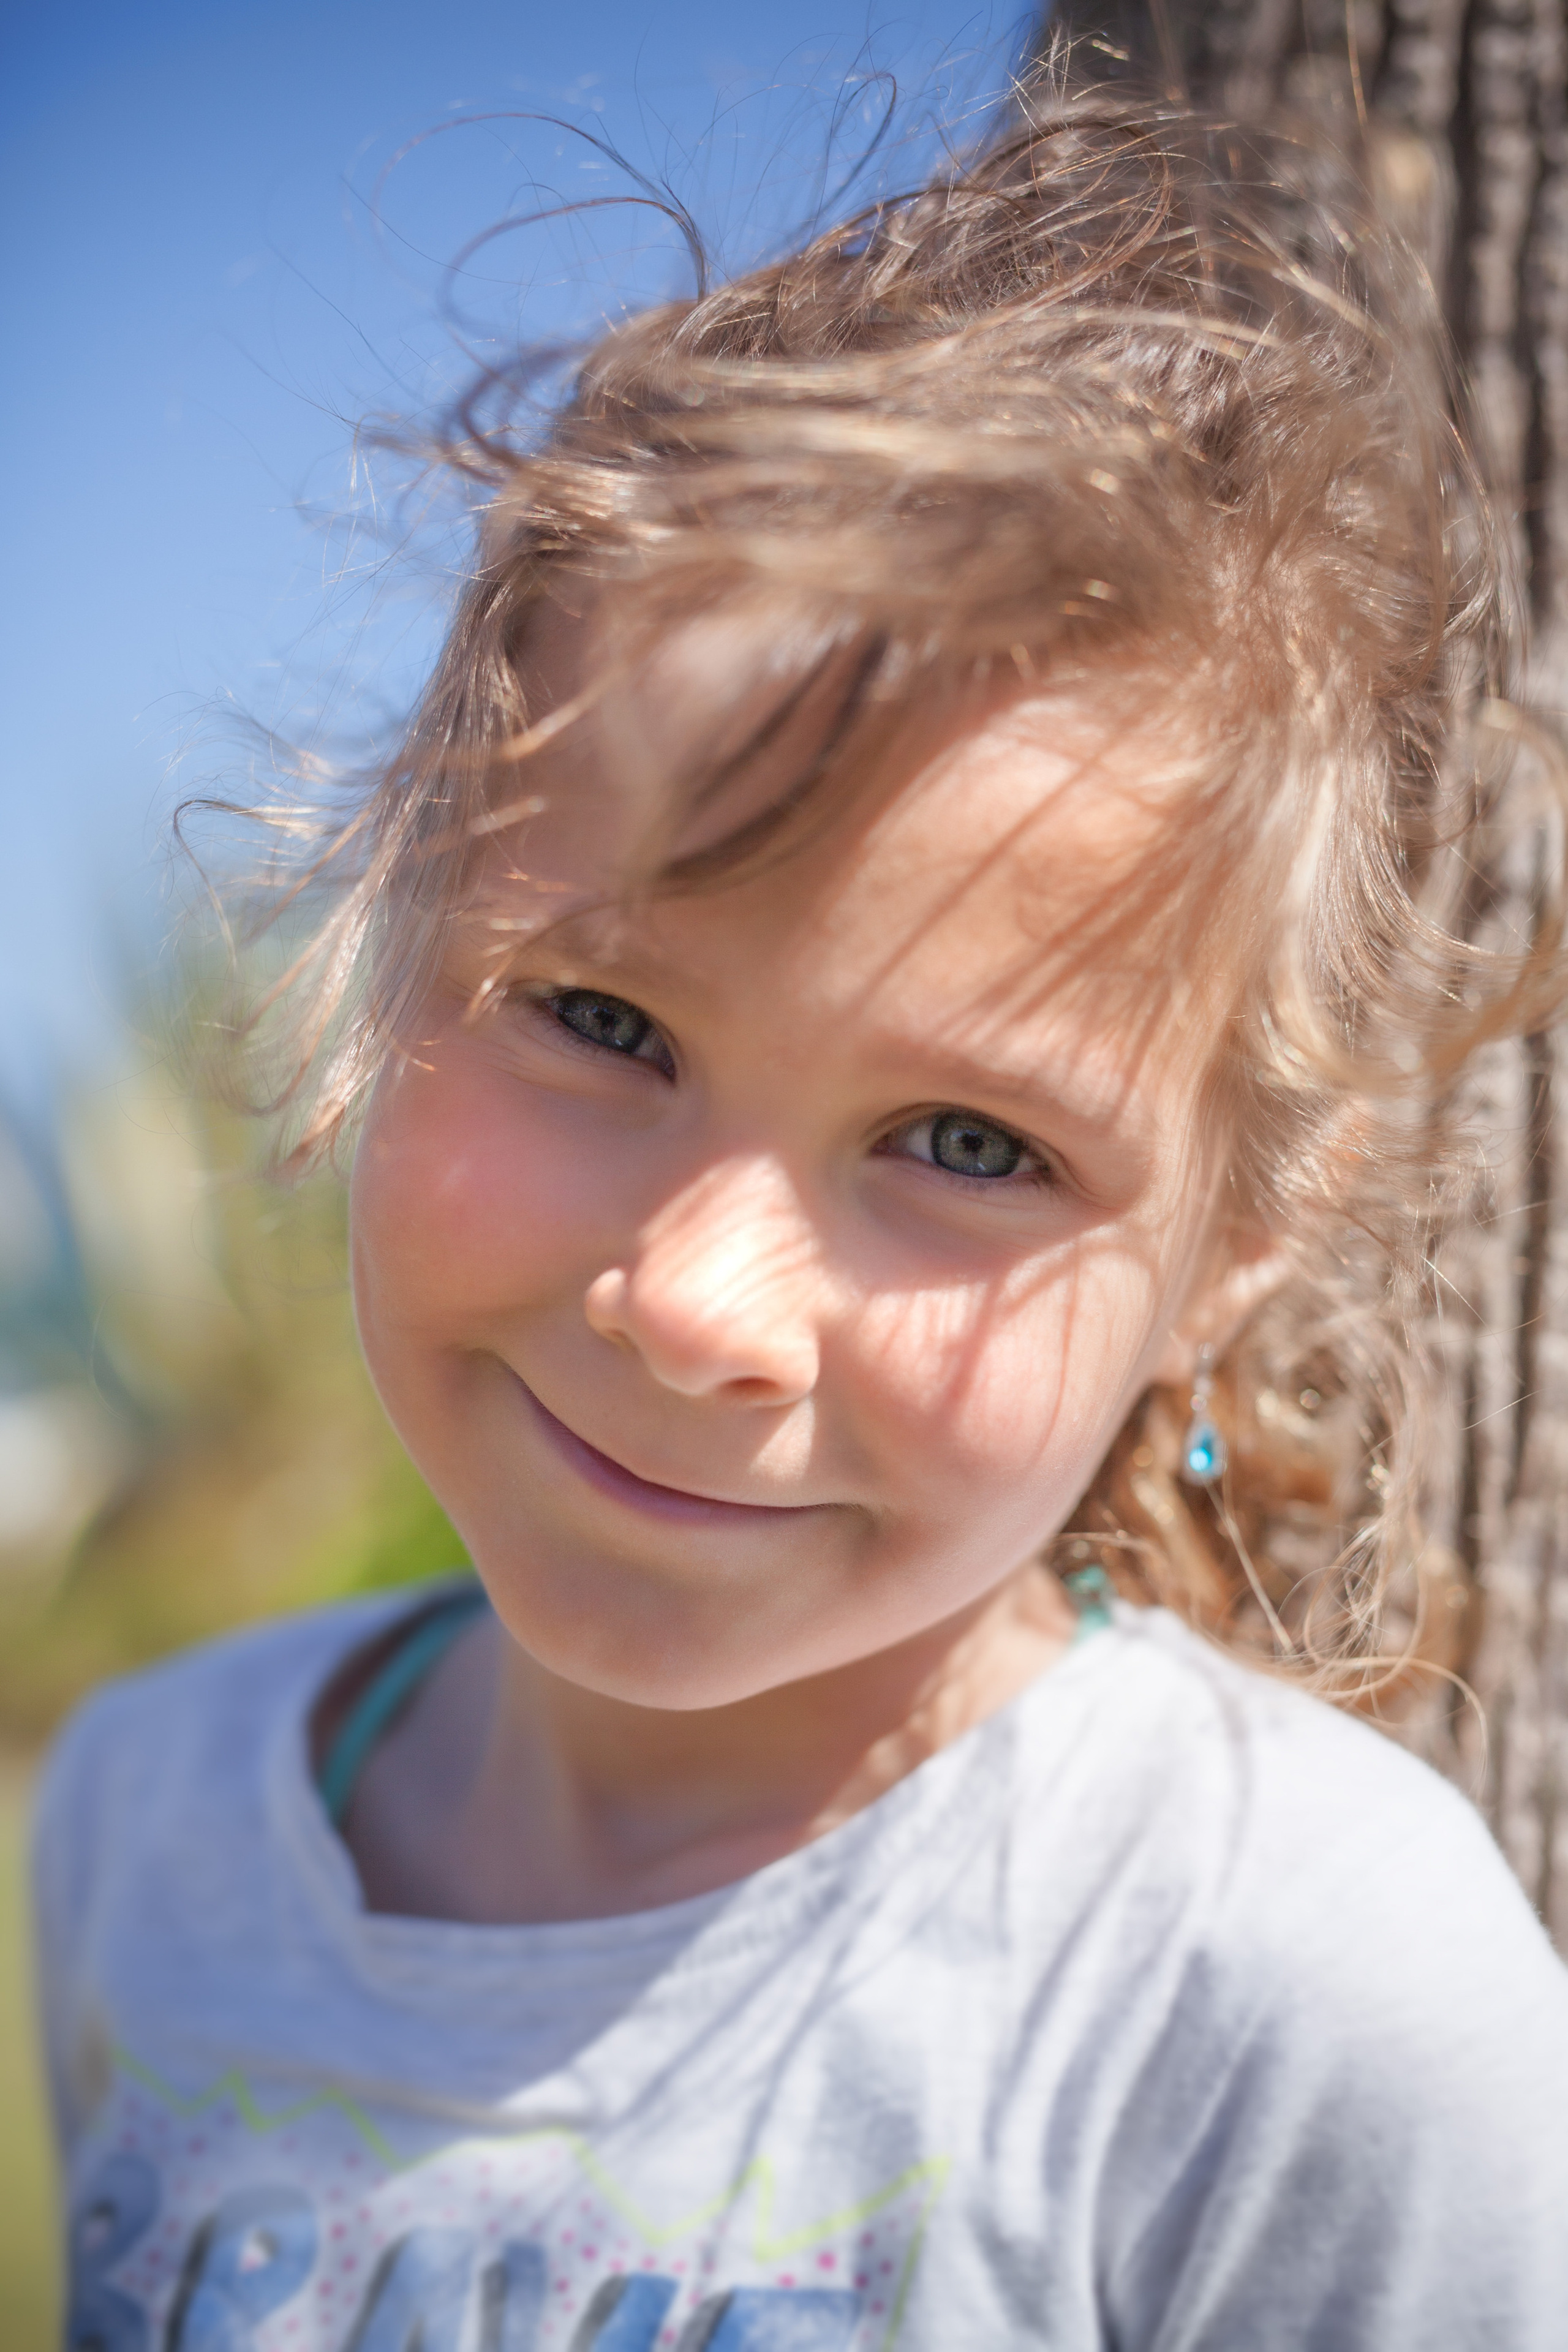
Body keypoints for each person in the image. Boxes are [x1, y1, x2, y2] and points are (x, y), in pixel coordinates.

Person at [34, 61, 1568, 2352]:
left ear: (1237, 1243)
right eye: (600, 1023)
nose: (700, 1306)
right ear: (392, 914)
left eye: (969, 1148)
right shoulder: (143, 1837)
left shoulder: (1286, 1984)